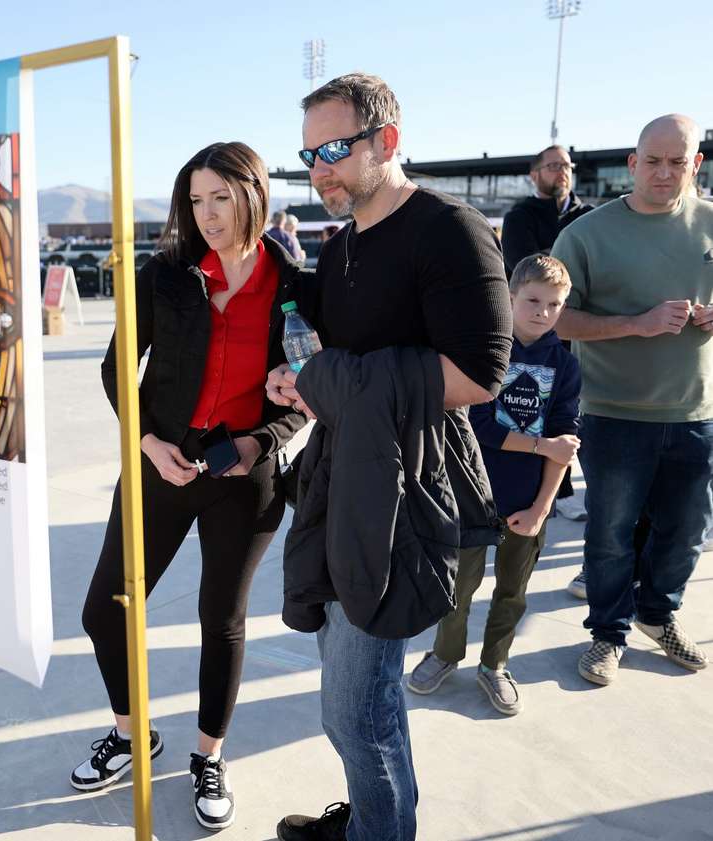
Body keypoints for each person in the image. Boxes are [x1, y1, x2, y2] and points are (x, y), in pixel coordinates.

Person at [267, 73, 512, 841]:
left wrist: (330, 378)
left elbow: (480, 372)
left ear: (387, 141)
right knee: (353, 699)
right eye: (309, 155)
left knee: (356, 708)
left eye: (335, 149)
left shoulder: (449, 229)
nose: (320, 170)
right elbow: (339, 359)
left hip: (405, 490)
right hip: (344, 478)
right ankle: (375, 821)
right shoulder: (343, 243)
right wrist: (300, 380)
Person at [73, 142, 309, 831]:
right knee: (104, 611)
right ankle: (130, 733)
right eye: (197, 200)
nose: (207, 214)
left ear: (254, 195)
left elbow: (307, 393)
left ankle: (208, 756)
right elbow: (117, 368)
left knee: (220, 619)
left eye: (221, 198)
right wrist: (148, 443)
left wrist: (259, 443)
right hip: (159, 463)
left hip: (245, 477)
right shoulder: (166, 274)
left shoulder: (295, 286)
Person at [551, 113, 712, 685]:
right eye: (653, 161)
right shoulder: (586, 234)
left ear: (696, 164)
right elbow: (554, 319)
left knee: (686, 532)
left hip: (696, 411)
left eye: (677, 162)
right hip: (613, 411)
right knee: (611, 535)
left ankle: (657, 614)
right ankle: (608, 633)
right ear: (632, 164)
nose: (664, 173)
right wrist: (636, 324)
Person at [407, 254, 581, 715]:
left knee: (512, 592)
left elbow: (564, 446)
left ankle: (495, 664)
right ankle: (445, 653)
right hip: (471, 498)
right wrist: (543, 445)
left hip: (527, 503)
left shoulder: (565, 366)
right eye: (533, 301)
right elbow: (481, 426)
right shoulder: (487, 352)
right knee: (456, 589)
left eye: (554, 304)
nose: (543, 312)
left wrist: (542, 508)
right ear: (509, 296)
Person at [501, 144, 594, 532]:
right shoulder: (520, 217)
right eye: (553, 165)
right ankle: (551, 492)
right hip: (531, 333)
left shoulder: (588, 215)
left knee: (565, 413)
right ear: (534, 174)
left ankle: (563, 488)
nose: (562, 171)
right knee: (524, 410)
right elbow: (527, 270)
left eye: (567, 165)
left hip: (574, 334)